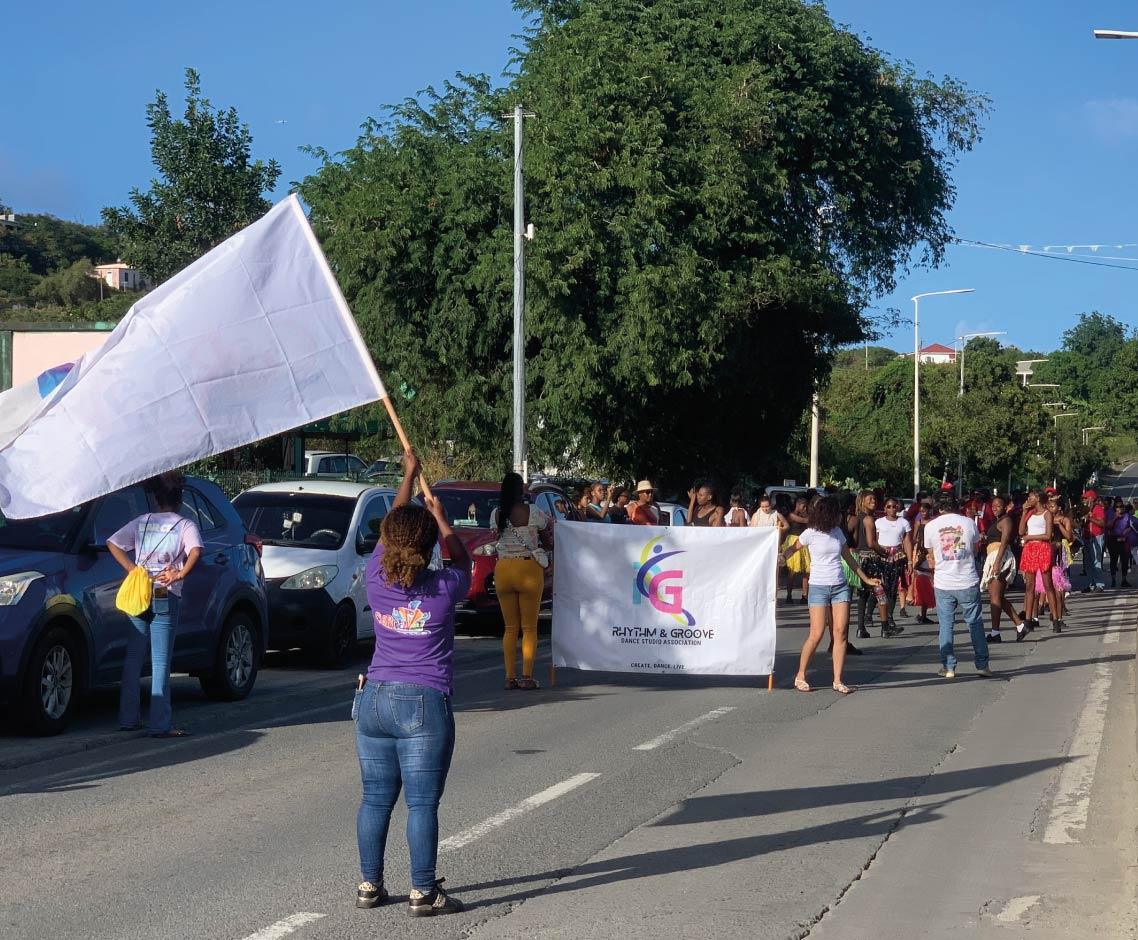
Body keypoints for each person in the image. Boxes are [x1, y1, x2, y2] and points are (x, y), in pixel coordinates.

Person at [355, 449, 470, 916]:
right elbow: (463, 561)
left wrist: (406, 477)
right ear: (427, 550)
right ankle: (423, 891)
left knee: (375, 798)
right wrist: (443, 521)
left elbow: (391, 532)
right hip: (422, 702)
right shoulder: (443, 589)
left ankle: (369, 885)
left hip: (374, 699)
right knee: (421, 804)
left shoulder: (374, 578)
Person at [108, 471, 203, 738]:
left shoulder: (142, 521)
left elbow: (113, 543)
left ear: (156, 499)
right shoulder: (185, 525)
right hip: (165, 592)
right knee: (161, 660)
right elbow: (196, 550)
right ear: (180, 500)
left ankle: (128, 718)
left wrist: (132, 569)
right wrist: (180, 573)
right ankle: (160, 724)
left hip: (140, 591)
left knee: (133, 657)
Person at [781, 495, 880, 695]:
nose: (839, 517)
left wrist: (866, 578)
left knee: (840, 633)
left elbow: (848, 558)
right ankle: (801, 674)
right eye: (836, 514)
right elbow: (793, 548)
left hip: (840, 586)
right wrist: (782, 557)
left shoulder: (837, 533)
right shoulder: (810, 533)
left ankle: (837, 679)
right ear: (828, 514)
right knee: (816, 634)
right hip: (818, 587)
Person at [492, 472, 554, 690]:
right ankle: (527, 676)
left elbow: (496, 539)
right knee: (529, 627)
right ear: (520, 490)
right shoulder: (533, 512)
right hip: (528, 569)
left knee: (510, 628)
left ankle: (510, 677)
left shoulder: (497, 513)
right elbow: (547, 540)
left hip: (503, 570)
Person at [924, 492, 991, 679]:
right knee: (975, 623)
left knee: (946, 625)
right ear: (956, 505)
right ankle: (982, 665)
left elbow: (930, 553)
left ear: (938, 507)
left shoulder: (930, 526)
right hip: (967, 579)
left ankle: (948, 667)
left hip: (943, 582)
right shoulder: (969, 523)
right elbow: (976, 547)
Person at [980, 494, 1027, 643]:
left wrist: (997, 562)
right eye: (993, 506)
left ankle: (995, 633)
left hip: (1000, 557)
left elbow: (1005, 540)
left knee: (994, 597)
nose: (995, 508)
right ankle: (1020, 625)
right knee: (998, 596)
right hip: (993, 556)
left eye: (998, 505)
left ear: (1006, 507)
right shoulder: (997, 520)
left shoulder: (1006, 520)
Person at [850, 490, 893, 638]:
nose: (874, 501)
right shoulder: (868, 519)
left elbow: (853, 540)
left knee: (862, 595)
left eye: (874, 499)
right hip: (871, 559)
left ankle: (861, 628)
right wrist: (883, 552)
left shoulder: (854, 519)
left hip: (859, 558)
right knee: (881, 592)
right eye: (870, 499)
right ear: (862, 501)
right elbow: (871, 542)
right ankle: (885, 627)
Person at [1019, 489, 1061, 633]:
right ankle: (1028, 619)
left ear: (1037, 498)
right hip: (1030, 549)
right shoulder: (1030, 513)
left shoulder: (1046, 514)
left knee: (1047, 584)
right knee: (1030, 586)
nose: (1028, 499)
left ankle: (1056, 619)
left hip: (1042, 547)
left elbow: (1048, 535)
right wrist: (1024, 513)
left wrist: (1029, 537)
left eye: (1030, 497)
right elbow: (1020, 531)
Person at [874, 497, 912, 635]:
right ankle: (882, 620)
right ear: (884, 508)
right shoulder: (878, 522)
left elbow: (907, 542)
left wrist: (909, 561)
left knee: (893, 588)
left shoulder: (903, 522)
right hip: (882, 557)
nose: (891, 509)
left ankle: (889, 618)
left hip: (897, 557)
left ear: (898, 508)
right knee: (881, 588)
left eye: (894, 506)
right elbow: (874, 540)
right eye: (888, 506)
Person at [908, 498, 937, 624]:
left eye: (924, 511)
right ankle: (922, 612)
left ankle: (923, 613)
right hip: (921, 550)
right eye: (921, 511)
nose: (923, 513)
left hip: (930, 550)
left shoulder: (933, 522)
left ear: (929, 511)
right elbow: (914, 537)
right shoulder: (919, 522)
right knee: (922, 579)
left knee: (930, 580)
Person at [782, 495, 811, 604]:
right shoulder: (791, 515)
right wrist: (806, 516)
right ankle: (789, 595)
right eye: (803, 507)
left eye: (806, 507)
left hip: (803, 542)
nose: (805, 509)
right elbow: (805, 520)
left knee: (806, 571)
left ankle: (804, 595)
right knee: (792, 571)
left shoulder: (804, 514)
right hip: (793, 541)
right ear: (797, 505)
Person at [1081, 490, 1107, 593]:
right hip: (1087, 537)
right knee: (1088, 563)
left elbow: (1102, 523)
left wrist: (1090, 518)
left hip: (1096, 537)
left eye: (1086, 498)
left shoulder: (1098, 508)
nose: (1085, 500)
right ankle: (1091, 584)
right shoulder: (1085, 510)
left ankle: (1099, 584)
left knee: (1096, 561)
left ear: (1091, 498)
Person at [1107, 497, 1132, 588]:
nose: (1120, 508)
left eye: (1121, 506)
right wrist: (1115, 517)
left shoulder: (1127, 515)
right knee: (1113, 560)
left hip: (1124, 540)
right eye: (1117, 506)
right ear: (1115, 508)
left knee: (1125, 560)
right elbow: (1108, 526)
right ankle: (1113, 579)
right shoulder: (1111, 514)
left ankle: (1124, 579)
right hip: (1114, 539)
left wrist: (1128, 530)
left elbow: (1131, 526)